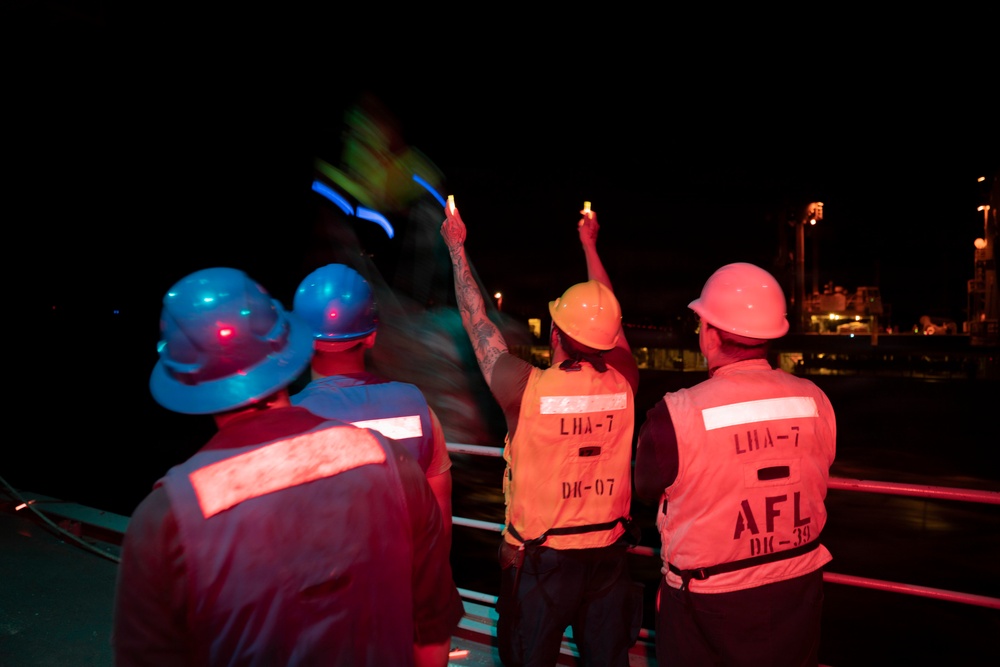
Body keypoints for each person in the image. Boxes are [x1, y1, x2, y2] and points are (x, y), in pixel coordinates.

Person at [112, 267, 463, 667]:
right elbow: (432, 636)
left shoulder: (164, 520)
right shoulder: (393, 462)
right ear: (286, 346)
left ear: (183, 379)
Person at [440, 201, 643, 666]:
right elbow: (612, 326)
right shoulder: (625, 382)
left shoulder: (524, 389)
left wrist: (456, 249)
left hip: (540, 564)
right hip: (608, 558)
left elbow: (477, 323)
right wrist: (590, 245)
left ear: (554, 332)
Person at [634, 262, 836, 667]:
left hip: (708, 604)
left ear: (710, 333)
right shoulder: (816, 400)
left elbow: (644, 489)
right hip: (798, 592)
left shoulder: (676, 414)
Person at [290, 262, 454, 546]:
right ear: (371, 336)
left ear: (303, 340)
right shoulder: (419, 408)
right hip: (413, 585)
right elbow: (440, 523)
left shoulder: (287, 418)